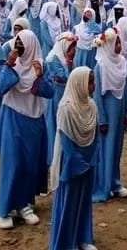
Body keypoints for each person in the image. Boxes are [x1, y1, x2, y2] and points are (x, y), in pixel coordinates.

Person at [0, 29, 53, 229]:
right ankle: (5, 209)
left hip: (35, 119)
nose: (18, 47)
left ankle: (24, 204)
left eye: (22, 44)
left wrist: (39, 76)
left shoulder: (41, 65)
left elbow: (49, 92)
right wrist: (9, 65)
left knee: (30, 163)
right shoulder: (12, 65)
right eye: (17, 43)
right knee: (13, 163)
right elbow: (0, 88)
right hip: (14, 117)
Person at [49, 66, 98, 250]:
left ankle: (82, 238)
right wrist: (80, 163)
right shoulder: (66, 109)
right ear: (79, 84)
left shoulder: (91, 106)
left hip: (88, 161)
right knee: (68, 202)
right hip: (71, 164)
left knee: (83, 201)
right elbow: (67, 143)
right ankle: (65, 243)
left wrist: (91, 159)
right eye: (90, 82)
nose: (93, 86)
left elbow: (94, 137)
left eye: (93, 81)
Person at [92, 28, 127, 202]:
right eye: (116, 43)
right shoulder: (100, 66)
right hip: (107, 114)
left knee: (117, 147)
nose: (119, 46)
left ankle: (115, 182)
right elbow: (97, 95)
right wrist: (102, 119)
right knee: (106, 148)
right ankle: (104, 185)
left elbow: (124, 89)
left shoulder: (121, 62)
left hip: (119, 111)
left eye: (120, 42)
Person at [45, 32, 78, 165]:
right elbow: (65, 76)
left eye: (74, 47)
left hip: (65, 93)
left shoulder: (65, 58)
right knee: (55, 122)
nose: (73, 50)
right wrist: (69, 64)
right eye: (71, 47)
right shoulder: (53, 58)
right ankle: (53, 157)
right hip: (56, 94)